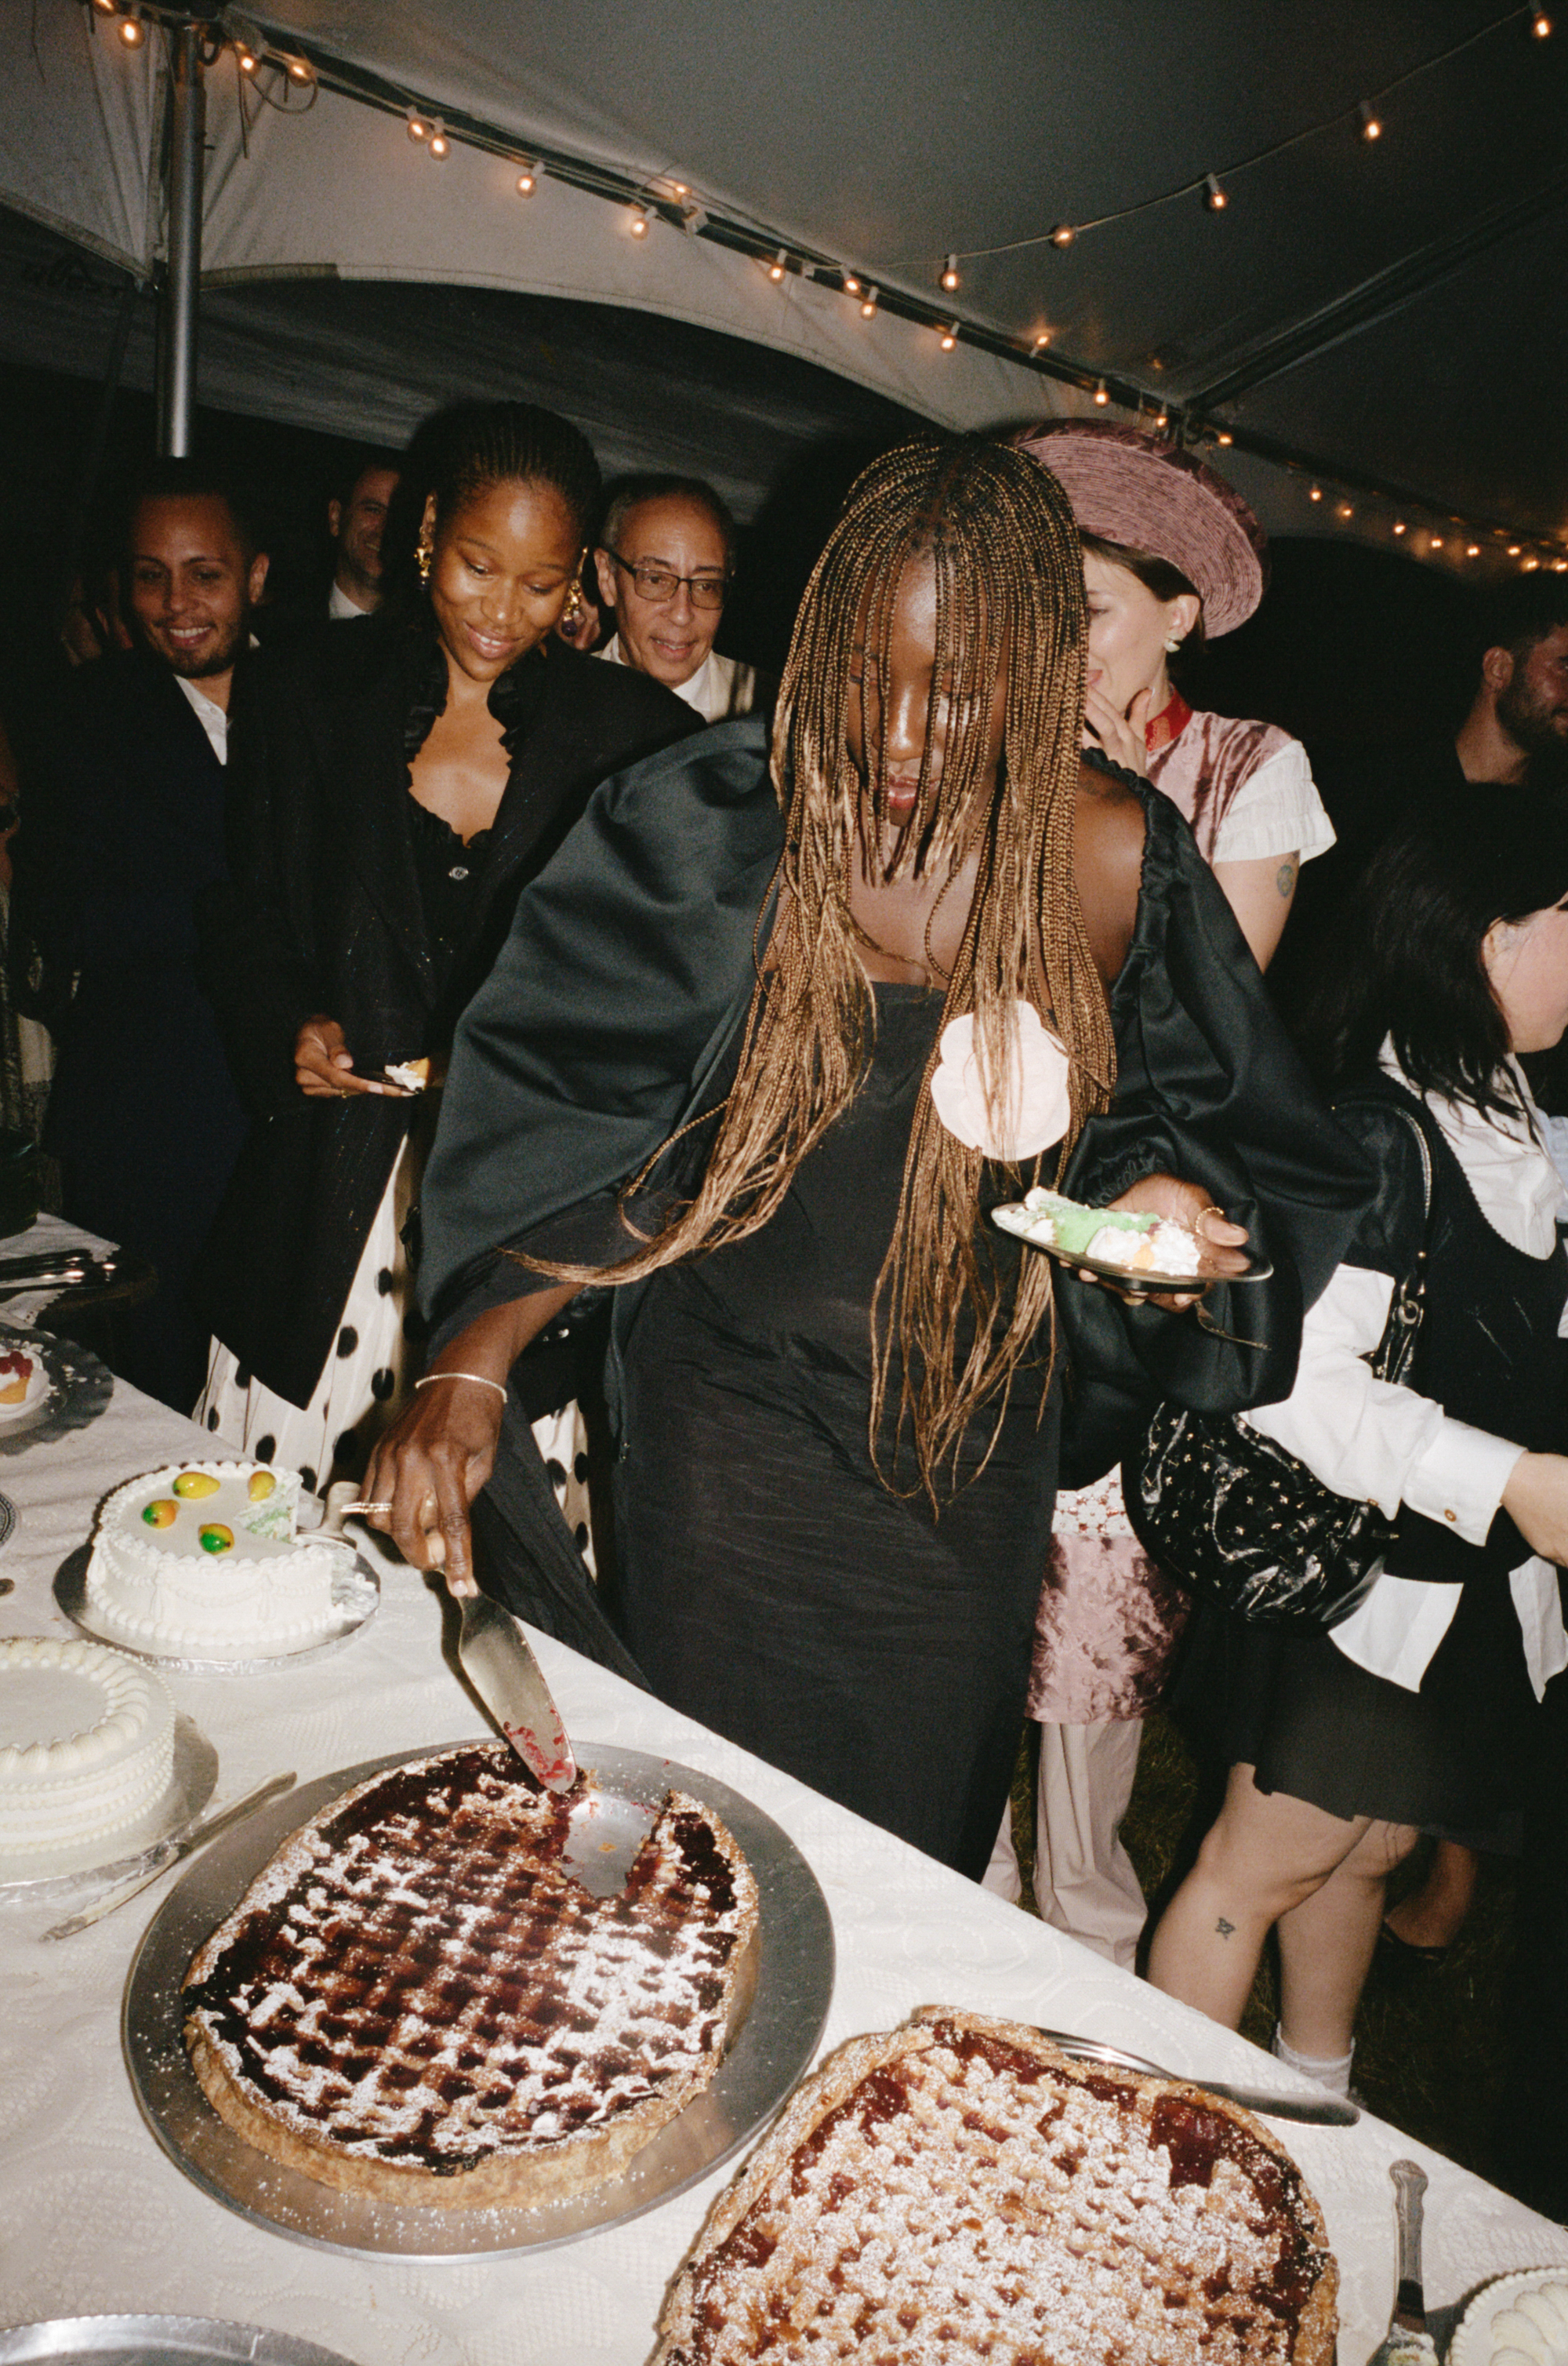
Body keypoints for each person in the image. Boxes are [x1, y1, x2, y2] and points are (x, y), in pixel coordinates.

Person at [358, 434, 1369, 1878]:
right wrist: (471, 1363)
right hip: (724, 1418)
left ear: (1035, 670)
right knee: (707, 1840)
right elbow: (586, 1129)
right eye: (856, 675)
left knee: (905, 1851)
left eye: (951, 690)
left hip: (965, 1436)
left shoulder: (1110, 859)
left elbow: (1220, 1147)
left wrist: (1155, 1219)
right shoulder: (719, 825)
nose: (892, 738)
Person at [191, 402, 696, 1496]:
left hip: (520, 1226)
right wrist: (286, 1024)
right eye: (477, 567)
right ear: (427, 536)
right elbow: (243, 911)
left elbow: (658, 1006)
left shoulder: (641, 740)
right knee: (268, 1536)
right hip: (322, 1209)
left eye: (541, 583)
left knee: (466, 1551)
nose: (502, 612)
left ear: (581, 577)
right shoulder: (303, 686)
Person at [1144, 795, 1568, 2095]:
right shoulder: (1385, 1133)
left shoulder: (1506, 1105)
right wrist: (1508, 1479)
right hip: (1368, 1596)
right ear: (1494, 939)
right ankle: (1153, 2131)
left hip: (1456, 1589)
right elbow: (1290, 1387)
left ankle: (1314, 2092)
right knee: (1250, 1871)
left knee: (1365, 1849)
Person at [981, 423, 1337, 1961]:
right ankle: (959, 1885)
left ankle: (1084, 1943)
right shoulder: (986, 740)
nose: (1058, 642)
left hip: (1124, 1240)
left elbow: (1203, 1029)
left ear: (1180, 610)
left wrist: (1112, 806)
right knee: (957, 1588)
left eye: (1092, 609)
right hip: (974, 1208)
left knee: (1087, 1624)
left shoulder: (1251, 768)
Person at [9, 460, 267, 1408]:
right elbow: (72, 918)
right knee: (154, 1394)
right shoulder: (83, 716)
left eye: (205, 573)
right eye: (151, 575)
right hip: (154, 1119)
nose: (176, 603)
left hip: (299, 1125)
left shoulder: (323, 700)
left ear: (256, 576)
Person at [593, 475, 764, 720]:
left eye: (706, 586)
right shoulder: (552, 700)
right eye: (656, 580)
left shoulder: (775, 715)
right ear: (607, 578)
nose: (681, 615)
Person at [327, 454, 400, 620]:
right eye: (373, 510)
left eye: (397, 516)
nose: (385, 528)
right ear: (336, 517)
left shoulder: (424, 631)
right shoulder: (284, 622)